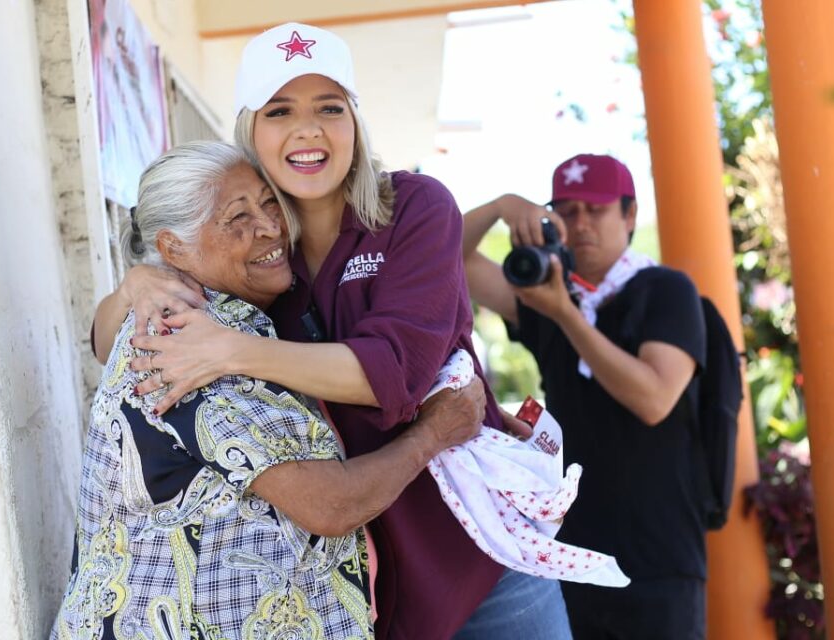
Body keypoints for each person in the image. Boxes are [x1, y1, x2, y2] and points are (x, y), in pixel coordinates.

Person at [90, 22, 572, 640]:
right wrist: (131, 288)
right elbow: (112, 346)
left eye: (329, 107)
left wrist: (235, 351)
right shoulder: (259, 255)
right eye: (280, 110)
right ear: (251, 133)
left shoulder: (414, 209)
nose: (308, 128)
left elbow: (394, 372)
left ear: (354, 122)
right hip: (371, 585)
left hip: (479, 556)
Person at [50, 141, 489, 640]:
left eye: (268, 202)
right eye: (238, 217)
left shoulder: (207, 320)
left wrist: (135, 283)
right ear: (175, 249)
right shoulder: (190, 338)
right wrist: (434, 434)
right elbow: (331, 505)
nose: (270, 226)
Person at [461, 154, 710, 639]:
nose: (580, 224)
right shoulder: (545, 295)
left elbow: (654, 399)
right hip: (570, 552)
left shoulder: (665, 289)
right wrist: (500, 205)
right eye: (567, 211)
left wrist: (566, 315)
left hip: (657, 556)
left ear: (630, 215)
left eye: (595, 210)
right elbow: (449, 256)